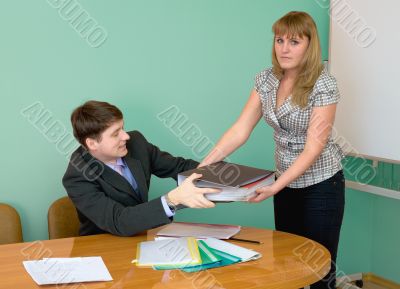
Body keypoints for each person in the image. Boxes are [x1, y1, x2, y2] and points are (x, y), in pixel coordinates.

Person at [199, 11, 345, 289]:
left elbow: (314, 148)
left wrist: (276, 187)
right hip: (284, 182)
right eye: (280, 40)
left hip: (321, 183)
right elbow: (240, 129)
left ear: (310, 45)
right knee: (288, 262)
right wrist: (203, 167)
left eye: (294, 42)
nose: (284, 49)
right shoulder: (266, 80)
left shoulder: (324, 84)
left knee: (318, 269)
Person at [62, 100, 219, 237]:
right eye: (116, 133)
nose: (126, 136)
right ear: (92, 143)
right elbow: (119, 221)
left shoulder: (136, 143)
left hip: (142, 237)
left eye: (122, 128)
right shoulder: (77, 177)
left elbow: (180, 167)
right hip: (105, 246)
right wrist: (172, 200)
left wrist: (228, 178)